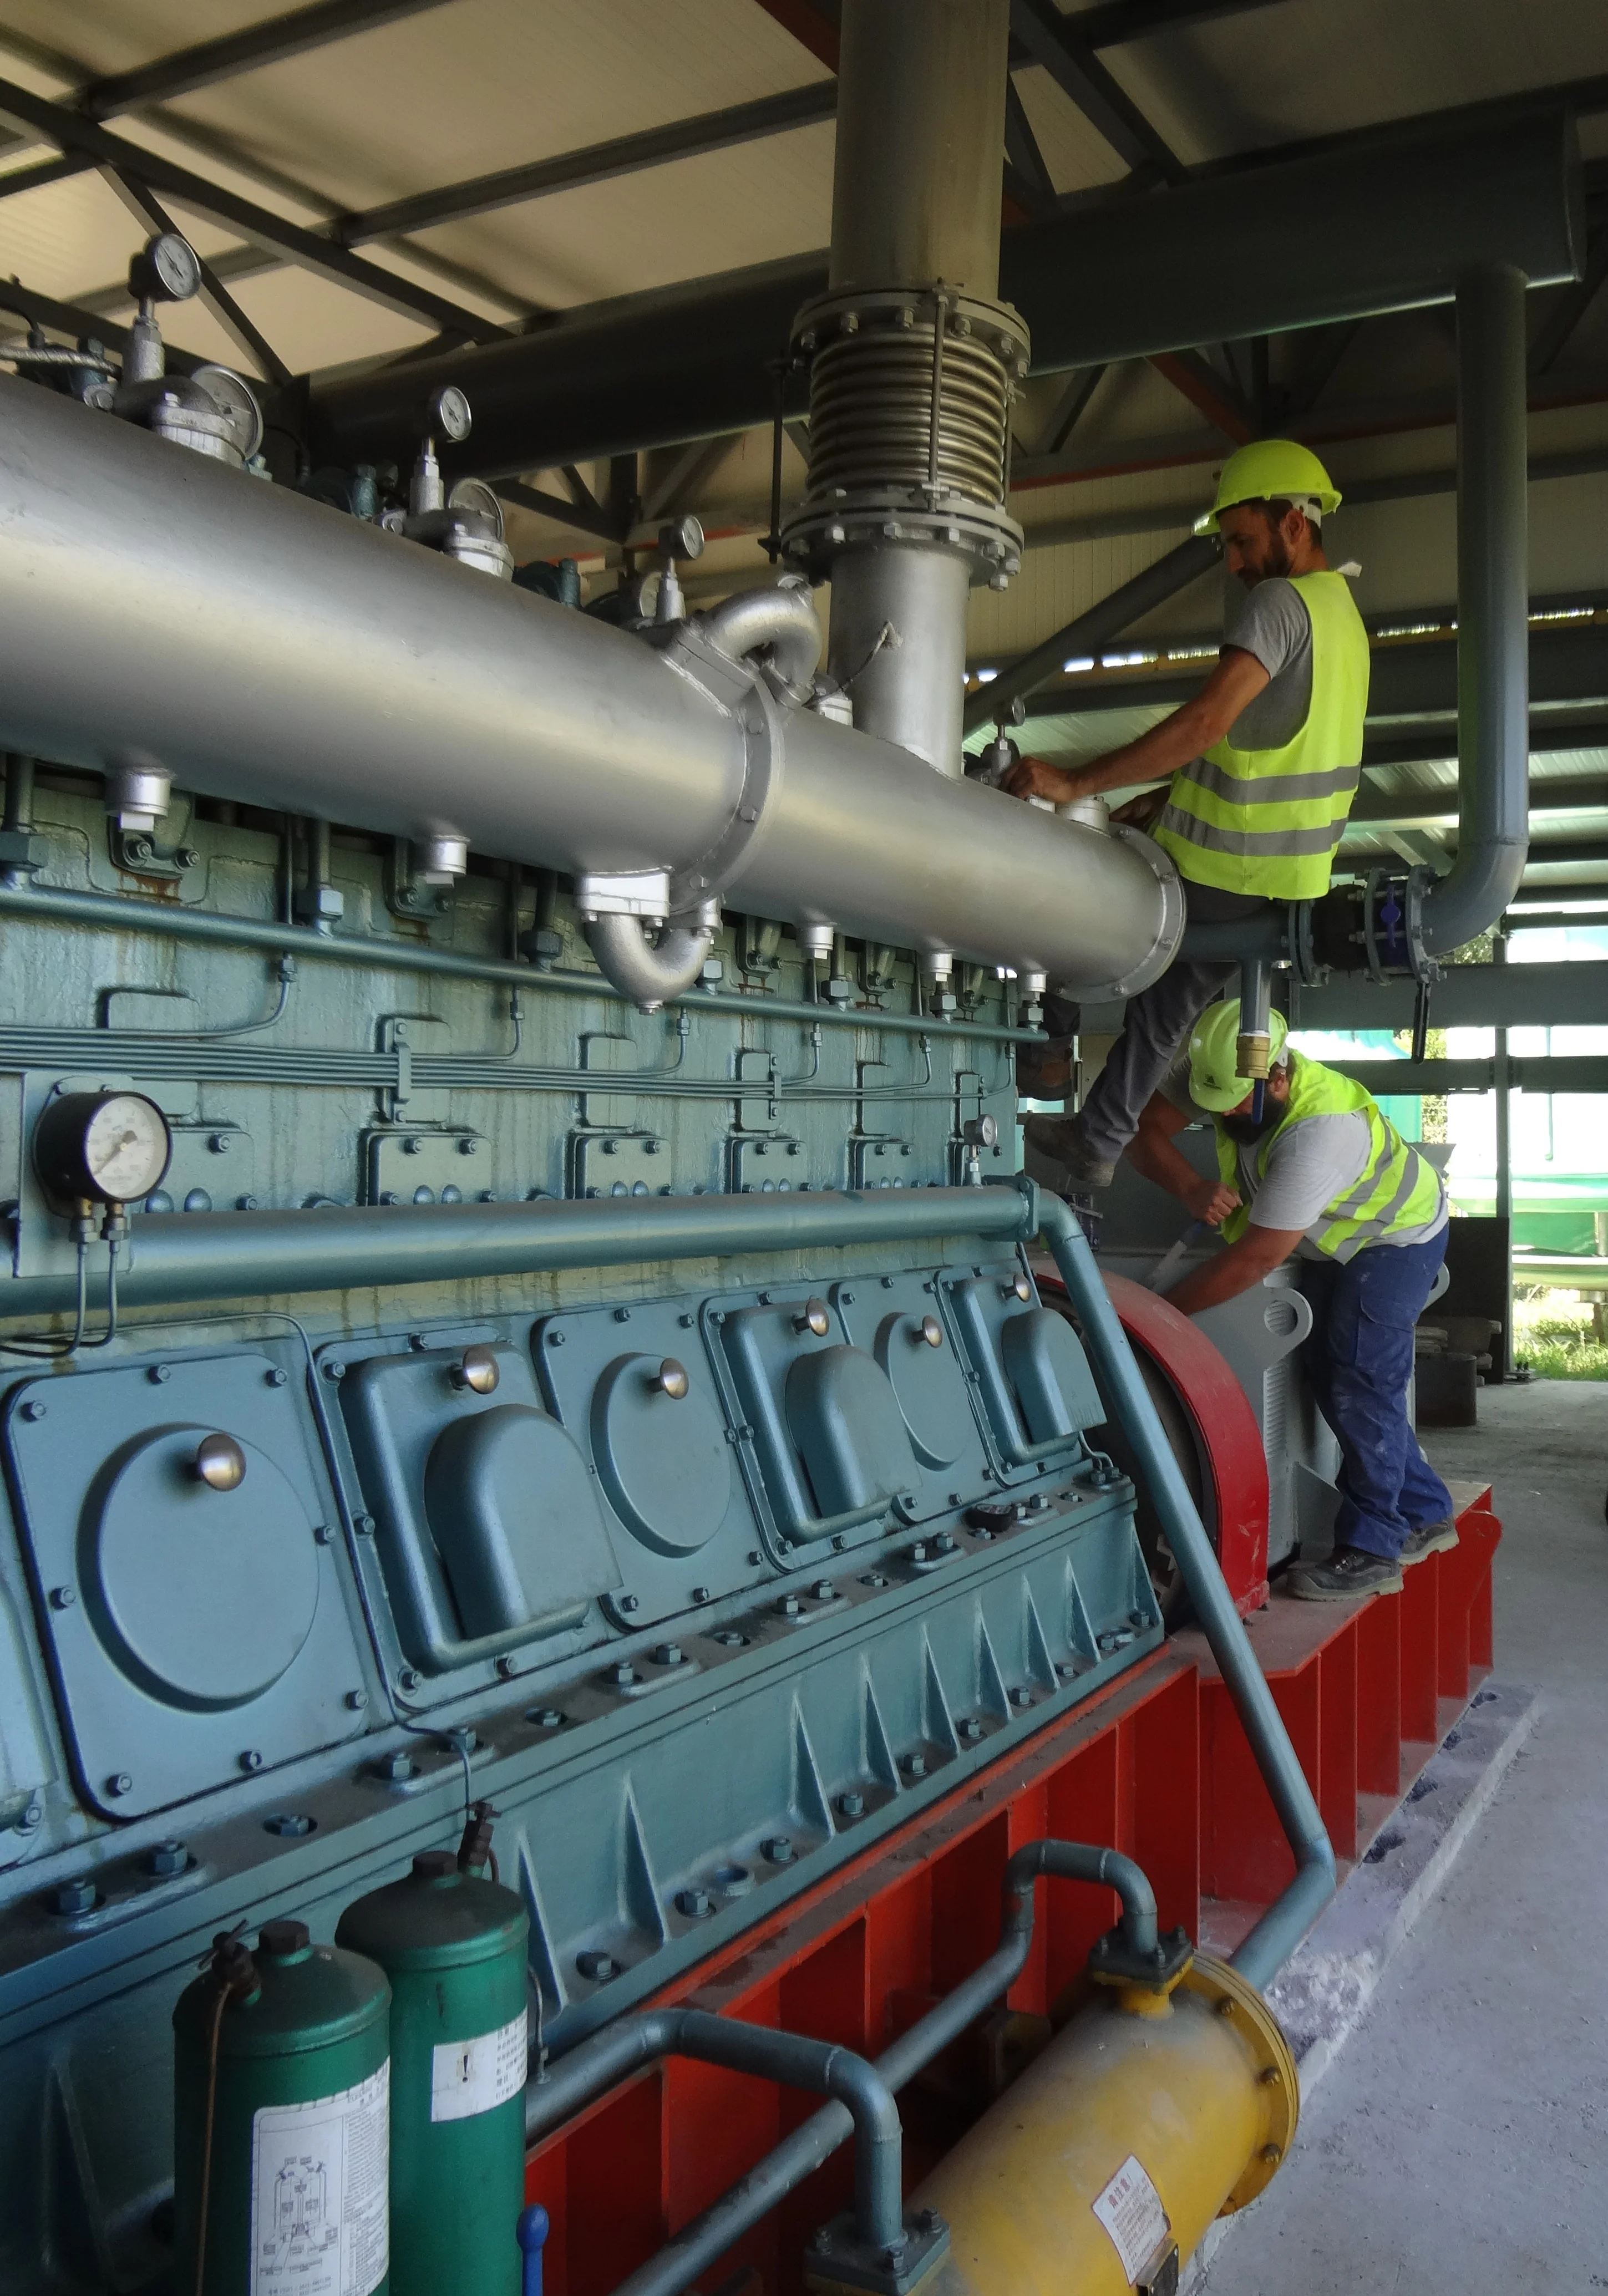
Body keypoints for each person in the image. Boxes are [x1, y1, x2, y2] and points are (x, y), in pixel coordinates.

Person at [1005, 439, 1371, 1192]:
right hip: (1282, 874)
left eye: (1241, 539)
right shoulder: (1343, 619)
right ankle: (1097, 1136)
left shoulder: (1280, 603)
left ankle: (1043, 1039)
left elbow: (1205, 723)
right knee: (1164, 1009)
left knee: (1068, 891)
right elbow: (1272, 747)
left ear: (1294, 524)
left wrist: (1075, 782)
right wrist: (1165, 797)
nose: (1233, 563)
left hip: (1221, 859)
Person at [1130, 998, 1457, 1601]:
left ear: (1277, 1076)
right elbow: (1143, 1131)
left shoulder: (1319, 1134)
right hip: (1330, 1238)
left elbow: (1256, 1258)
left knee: (1358, 1377)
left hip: (1393, 1237)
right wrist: (1191, 1184)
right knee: (1326, 1372)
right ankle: (1425, 1510)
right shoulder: (1218, 1071)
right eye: (1212, 1103)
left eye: (1235, 1101)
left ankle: (1373, 1547)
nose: (1222, 1114)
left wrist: (1157, 1321)